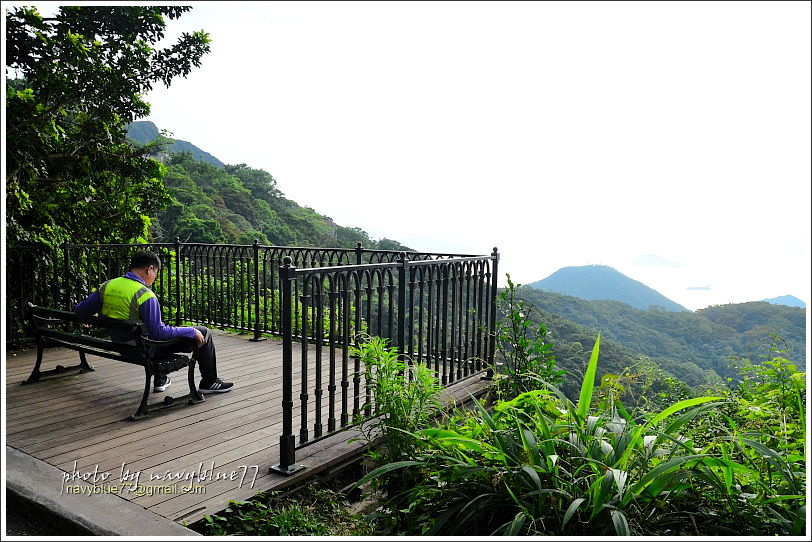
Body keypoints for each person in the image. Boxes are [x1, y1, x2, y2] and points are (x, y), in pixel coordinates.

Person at [75, 250, 234, 394]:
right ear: (149, 269)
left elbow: (80, 311)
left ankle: (161, 379)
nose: (155, 278)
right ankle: (209, 382)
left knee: (152, 330)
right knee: (203, 332)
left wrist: (92, 319)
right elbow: (159, 333)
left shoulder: (108, 285)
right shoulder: (145, 295)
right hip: (144, 350)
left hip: (120, 345)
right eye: (156, 273)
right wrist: (190, 331)